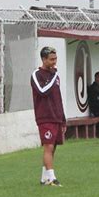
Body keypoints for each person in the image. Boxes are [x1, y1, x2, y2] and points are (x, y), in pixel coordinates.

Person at [30, 46, 66, 187]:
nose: (54, 62)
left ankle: (44, 177)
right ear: (44, 59)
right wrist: (53, 76)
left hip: (56, 117)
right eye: (51, 59)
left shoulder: (54, 76)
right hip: (45, 116)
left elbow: (58, 97)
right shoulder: (37, 75)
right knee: (48, 146)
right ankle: (52, 178)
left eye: (55, 59)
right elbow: (42, 91)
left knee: (53, 147)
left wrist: (63, 118)